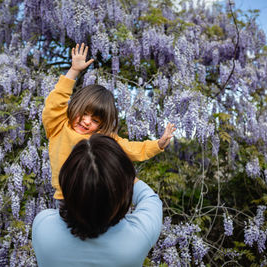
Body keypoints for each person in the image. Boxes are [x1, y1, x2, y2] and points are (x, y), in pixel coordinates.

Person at [42, 43, 176, 200]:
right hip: (64, 197)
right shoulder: (58, 126)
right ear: (75, 106)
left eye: (95, 120)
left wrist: (158, 144)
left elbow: (130, 149)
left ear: (102, 123)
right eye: (84, 114)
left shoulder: (101, 138)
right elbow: (55, 102)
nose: (86, 121)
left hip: (93, 197)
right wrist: (73, 71)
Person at [32, 134, 163, 267]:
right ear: (124, 188)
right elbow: (149, 197)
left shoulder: (43, 226)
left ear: (66, 182)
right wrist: (121, 174)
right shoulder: (138, 238)